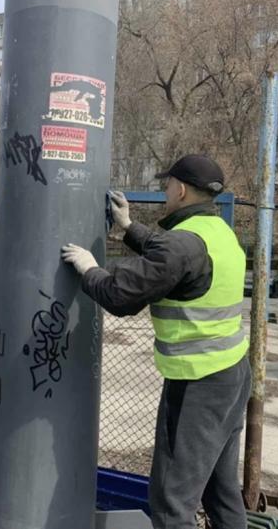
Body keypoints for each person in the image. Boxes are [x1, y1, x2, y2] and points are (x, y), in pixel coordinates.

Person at [61, 154, 251, 529]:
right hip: (232, 375)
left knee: (171, 502)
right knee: (220, 489)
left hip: (198, 383)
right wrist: (128, 226)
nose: (165, 191)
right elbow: (171, 255)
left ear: (180, 189)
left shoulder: (182, 245)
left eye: (167, 185)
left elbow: (120, 295)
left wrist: (87, 268)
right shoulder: (219, 232)